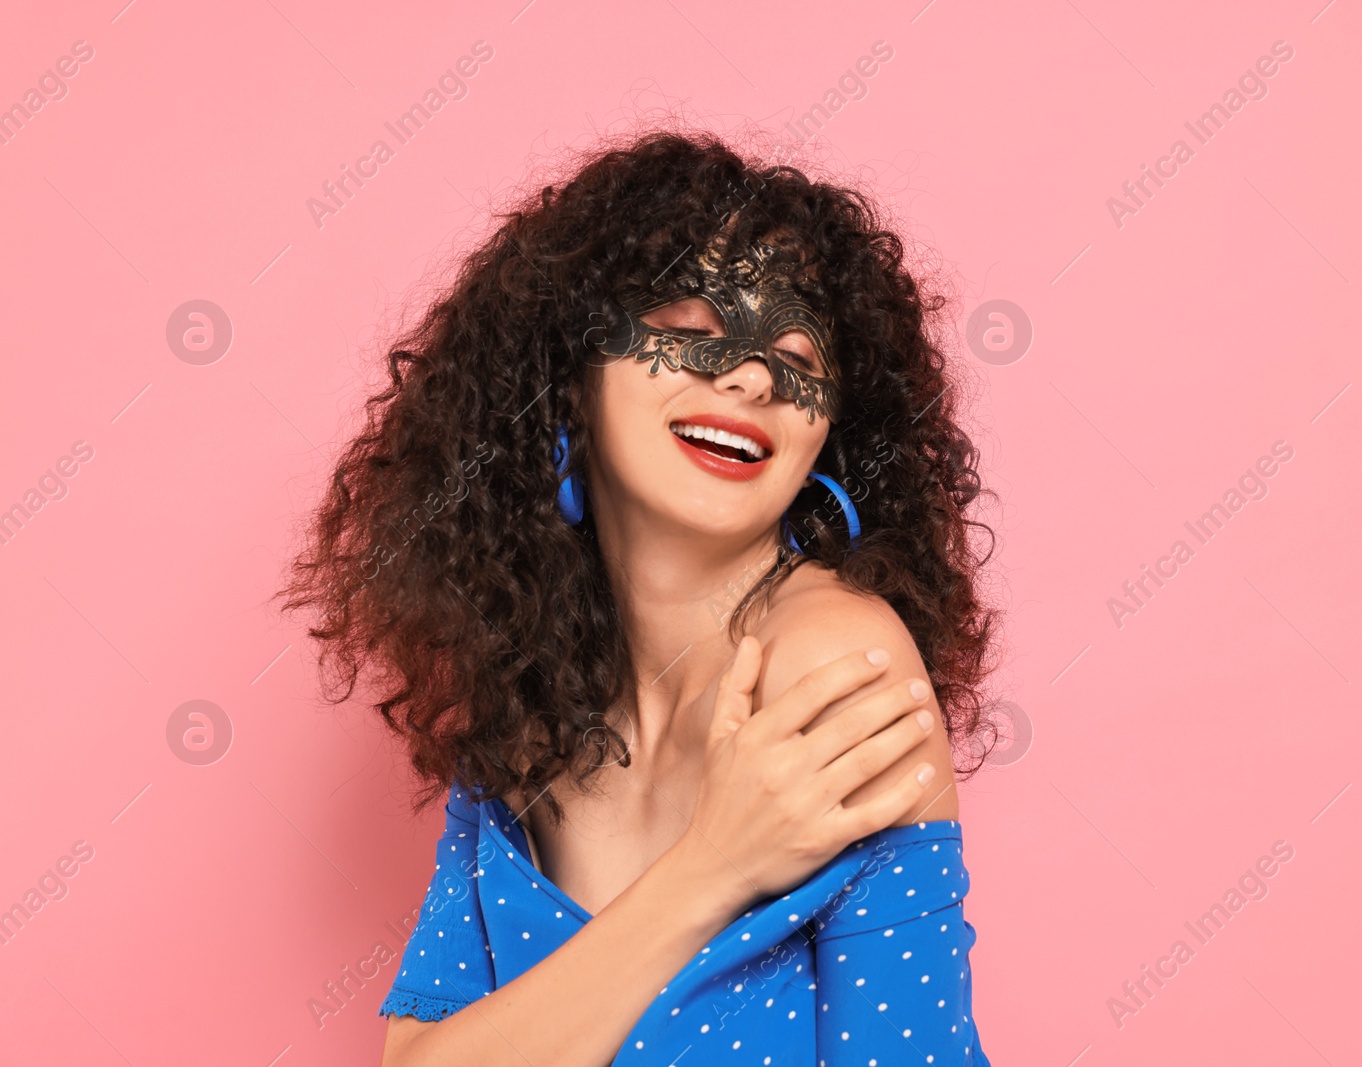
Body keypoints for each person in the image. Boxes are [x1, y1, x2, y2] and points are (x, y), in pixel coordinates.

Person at [277, 129, 998, 1066]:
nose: (746, 376)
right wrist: (710, 869)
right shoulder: (531, 677)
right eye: (693, 332)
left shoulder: (837, 671)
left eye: (793, 356)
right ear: (570, 376)